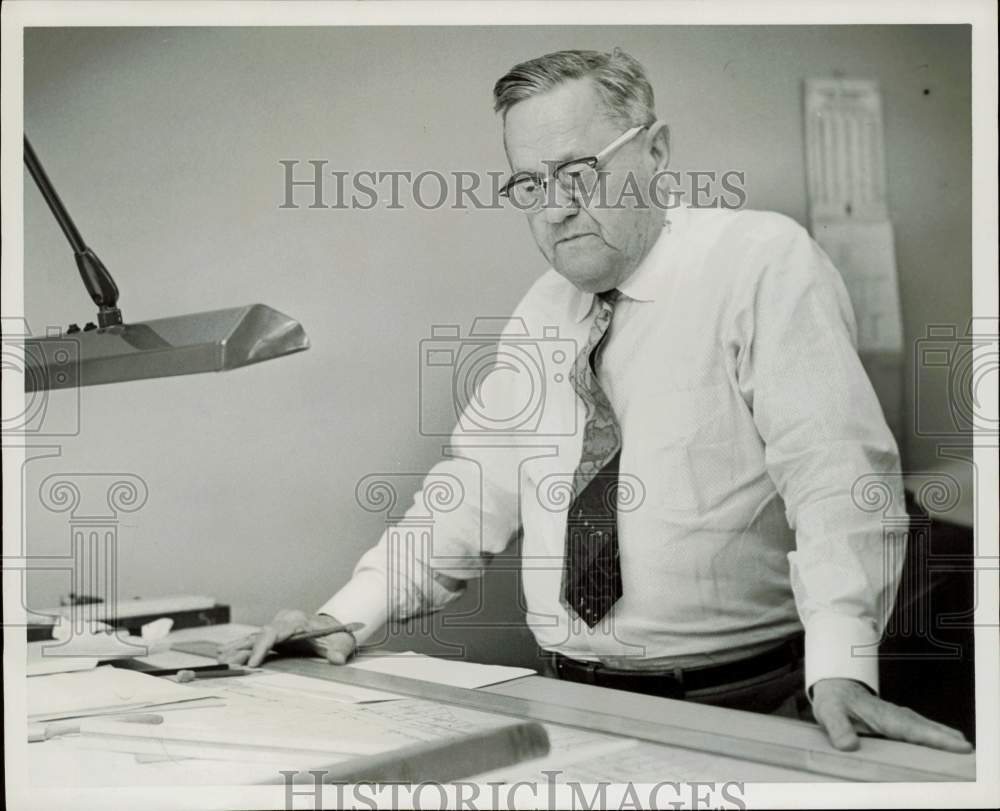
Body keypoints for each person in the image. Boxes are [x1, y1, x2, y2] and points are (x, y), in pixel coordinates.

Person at [221, 48, 971, 754]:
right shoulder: (542, 312)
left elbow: (836, 475)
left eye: (577, 172)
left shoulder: (760, 262)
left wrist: (841, 661)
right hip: (569, 702)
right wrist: (347, 613)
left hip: (745, 703)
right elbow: (471, 491)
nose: (553, 208)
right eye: (529, 184)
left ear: (655, 151)